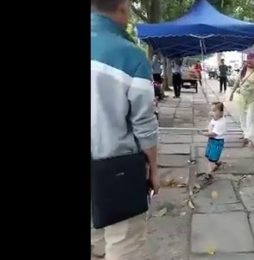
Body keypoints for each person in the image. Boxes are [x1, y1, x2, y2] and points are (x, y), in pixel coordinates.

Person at [91, 0, 160, 259]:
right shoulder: (129, 55)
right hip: (116, 169)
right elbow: (144, 124)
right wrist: (153, 169)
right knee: (123, 243)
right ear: (124, 7)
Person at [229, 53, 254, 144]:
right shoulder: (243, 70)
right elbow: (237, 82)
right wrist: (232, 93)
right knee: (242, 116)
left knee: (250, 116)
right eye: (248, 58)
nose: (249, 60)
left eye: (252, 58)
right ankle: (245, 133)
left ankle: (248, 135)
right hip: (242, 97)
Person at [200, 102, 226, 180]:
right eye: (211, 111)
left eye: (215, 111)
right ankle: (216, 162)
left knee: (212, 157)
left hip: (217, 142)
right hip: (212, 140)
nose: (212, 113)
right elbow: (210, 126)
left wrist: (204, 134)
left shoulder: (221, 123)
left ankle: (209, 174)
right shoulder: (215, 119)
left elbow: (214, 134)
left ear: (221, 112)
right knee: (208, 154)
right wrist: (207, 129)